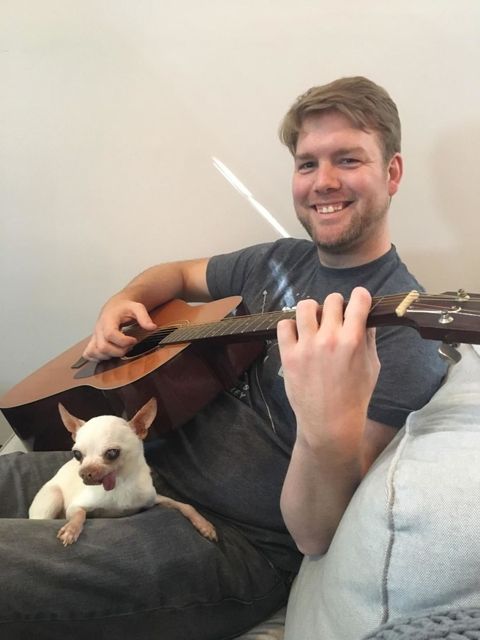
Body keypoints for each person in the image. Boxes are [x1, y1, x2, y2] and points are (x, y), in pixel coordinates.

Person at [0, 76, 446, 640]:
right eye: (307, 164)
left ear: (393, 173)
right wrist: (123, 301)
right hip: (136, 470)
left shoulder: (404, 338)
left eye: (348, 159)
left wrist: (320, 426)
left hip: (228, 541)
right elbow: (179, 274)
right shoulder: (278, 260)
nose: (323, 181)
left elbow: (313, 534)